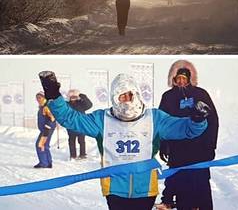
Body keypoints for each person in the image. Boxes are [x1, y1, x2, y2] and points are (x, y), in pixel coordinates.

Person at [38, 71, 211, 210]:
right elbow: (70, 119)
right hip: (114, 189)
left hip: (145, 190)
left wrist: (197, 119)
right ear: (114, 97)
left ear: (137, 94)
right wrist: (53, 95)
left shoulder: (154, 118)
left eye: (130, 94)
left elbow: (186, 129)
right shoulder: (102, 120)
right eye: (122, 96)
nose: (127, 99)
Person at [156, 60, 219, 210]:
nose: (181, 81)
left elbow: (213, 120)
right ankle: (175, 203)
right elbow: (161, 122)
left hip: (200, 149)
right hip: (178, 149)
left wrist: (211, 145)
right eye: (178, 78)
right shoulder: (168, 97)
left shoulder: (200, 94)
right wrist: (163, 145)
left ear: (190, 79)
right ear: (173, 79)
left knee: (201, 184)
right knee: (180, 182)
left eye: (184, 78)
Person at [66, 89, 92, 160]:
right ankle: (73, 155)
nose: (73, 98)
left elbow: (89, 105)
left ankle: (82, 154)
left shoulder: (81, 103)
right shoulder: (67, 104)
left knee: (81, 140)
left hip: (81, 125)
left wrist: (82, 96)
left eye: (74, 96)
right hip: (71, 125)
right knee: (71, 141)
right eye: (71, 97)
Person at [34, 91, 56, 168]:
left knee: (40, 145)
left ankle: (44, 163)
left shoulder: (46, 106)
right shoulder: (42, 106)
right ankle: (48, 162)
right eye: (37, 98)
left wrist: (47, 127)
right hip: (46, 129)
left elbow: (52, 118)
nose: (38, 99)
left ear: (44, 98)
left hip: (47, 129)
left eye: (40, 97)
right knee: (45, 145)